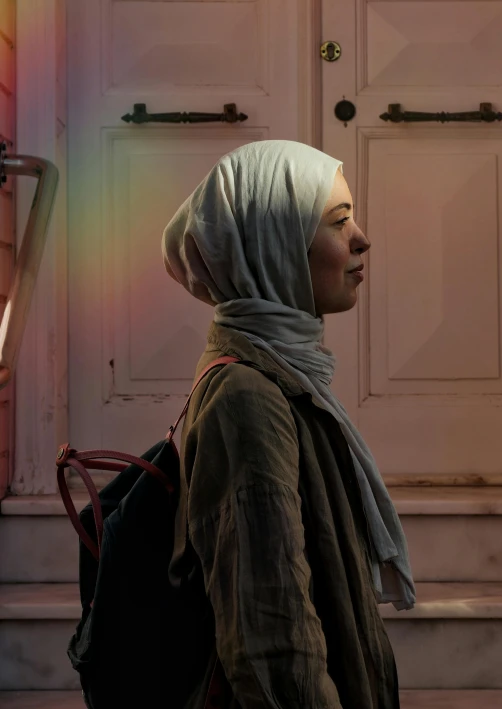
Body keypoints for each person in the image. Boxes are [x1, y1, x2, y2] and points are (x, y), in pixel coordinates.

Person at [161, 140, 415, 709]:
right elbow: (272, 641)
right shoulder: (247, 398)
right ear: (274, 244)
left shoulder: (278, 373)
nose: (361, 238)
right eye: (338, 221)